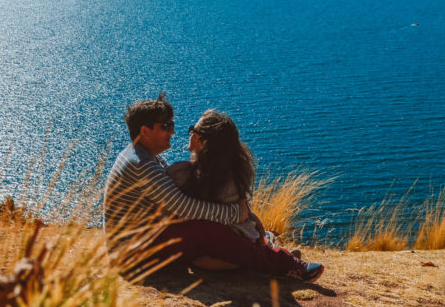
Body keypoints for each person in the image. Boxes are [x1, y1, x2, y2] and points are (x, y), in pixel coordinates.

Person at [103, 94, 323, 281]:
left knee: (208, 236)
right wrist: (236, 213)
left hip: (141, 242)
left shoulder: (146, 158)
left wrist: (248, 216)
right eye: (166, 126)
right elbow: (185, 207)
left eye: (173, 125)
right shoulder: (141, 165)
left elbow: (180, 199)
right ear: (145, 131)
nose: (172, 131)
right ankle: (287, 264)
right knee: (205, 231)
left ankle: (263, 253)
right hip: (132, 253)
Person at [169, 109, 323, 281]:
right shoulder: (238, 171)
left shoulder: (182, 173)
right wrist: (248, 215)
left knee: (208, 253)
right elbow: (239, 212)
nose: (191, 135)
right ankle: (270, 247)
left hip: (218, 246)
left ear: (203, 141)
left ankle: (275, 253)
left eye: (194, 131)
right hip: (236, 240)